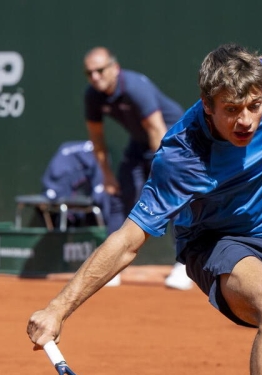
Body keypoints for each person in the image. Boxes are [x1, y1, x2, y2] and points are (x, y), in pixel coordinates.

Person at [28, 8, 262, 374]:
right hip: (216, 244)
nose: (246, 120)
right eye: (232, 109)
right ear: (207, 105)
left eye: (254, 106)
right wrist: (58, 308)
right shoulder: (181, 157)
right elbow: (127, 241)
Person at [82, 46, 193, 290]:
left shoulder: (134, 87)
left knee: (173, 198)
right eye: (89, 73)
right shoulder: (93, 95)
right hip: (140, 142)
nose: (95, 77)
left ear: (114, 68)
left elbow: (157, 130)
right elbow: (97, 140)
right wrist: (107, 176)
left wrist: (164, 172)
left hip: (173, 138)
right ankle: (111, 266)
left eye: (100, 71)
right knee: (120, 197)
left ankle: (185, 266)